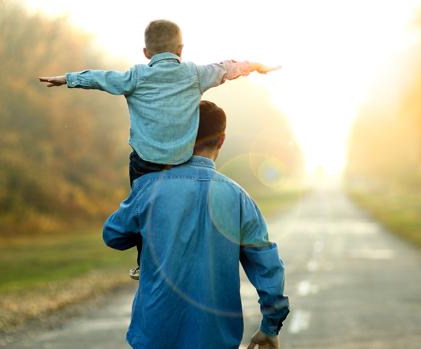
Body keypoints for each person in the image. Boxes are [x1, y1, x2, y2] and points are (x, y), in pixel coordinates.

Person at [38, 20, 279, 279]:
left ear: (146, 53)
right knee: (185, 205)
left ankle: (145, 262)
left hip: (145, 163)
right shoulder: (194, 74)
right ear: (180, 49)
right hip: (182, 161)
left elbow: (101, 78)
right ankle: (186, 249)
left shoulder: (136, 76)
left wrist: (68, 79)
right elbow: (226, 68)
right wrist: (254, 66)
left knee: (143, 210)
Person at [103, 101, 289, 349]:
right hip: (216, 340)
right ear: (221, 141)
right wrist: (270, 326)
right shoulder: (239, 198)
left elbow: (113, 236)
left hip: (154, 337)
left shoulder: (149, 188)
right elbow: (268, 267)